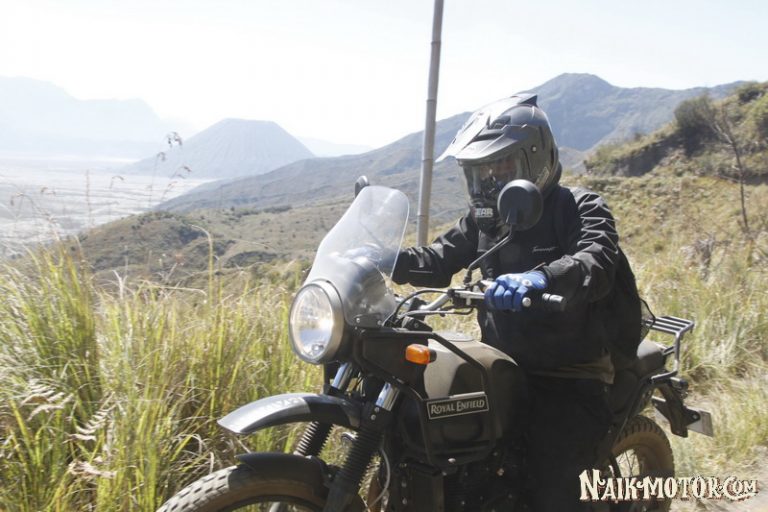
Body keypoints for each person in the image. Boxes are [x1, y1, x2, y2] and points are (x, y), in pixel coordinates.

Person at [392, 93, 618, 511]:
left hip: (568, 372)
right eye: (480, 171)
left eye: (502, 167)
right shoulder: (485, 220)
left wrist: (540, 277)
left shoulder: (578, 207)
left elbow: (596, 260)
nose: (490, 180)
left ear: (535, 160)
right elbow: (439, 258)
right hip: (500, 363)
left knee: (553, 490)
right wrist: (387, 259)